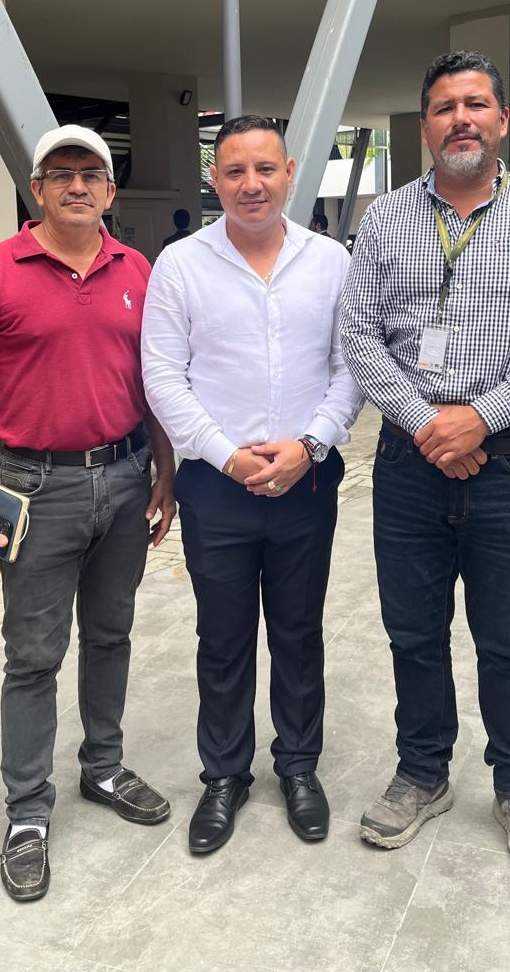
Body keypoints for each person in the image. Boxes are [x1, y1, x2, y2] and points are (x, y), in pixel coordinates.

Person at [340, 51, 510, 870]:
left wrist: (480, 418)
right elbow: (357, 336)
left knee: (507, 639)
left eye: (476, 104)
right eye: (445, 107)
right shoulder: (385, 218)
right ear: (425, 128)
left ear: (503, 121)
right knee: (413, 633)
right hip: (409, 467)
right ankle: (422, 773)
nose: (461, 119)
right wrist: (430, 426)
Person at [0, 123, 176, 903]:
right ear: (36, 188)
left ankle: (102, 767)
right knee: (33, 655)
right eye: (60, 173)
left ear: (110, 191)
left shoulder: (136, 269)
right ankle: (28, 812)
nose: (77, 185)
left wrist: (165, 473)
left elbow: (153, 385)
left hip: (126, 477)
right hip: (37, 491)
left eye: (91, 173)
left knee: (111, 634)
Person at [141, 115, 363, 854]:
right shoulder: (181, 265)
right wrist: (226, 457)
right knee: (223, 636)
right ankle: (224, 776)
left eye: (265, 169)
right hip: (216, 488)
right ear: (215, 180)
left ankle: (298, 766)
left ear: (290, 173)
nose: (251, 184)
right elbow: (162, 377)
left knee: (298, 632)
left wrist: (310, 445)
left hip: (306, 481)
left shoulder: (330, 262)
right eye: (235, 171)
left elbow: (351, 366)